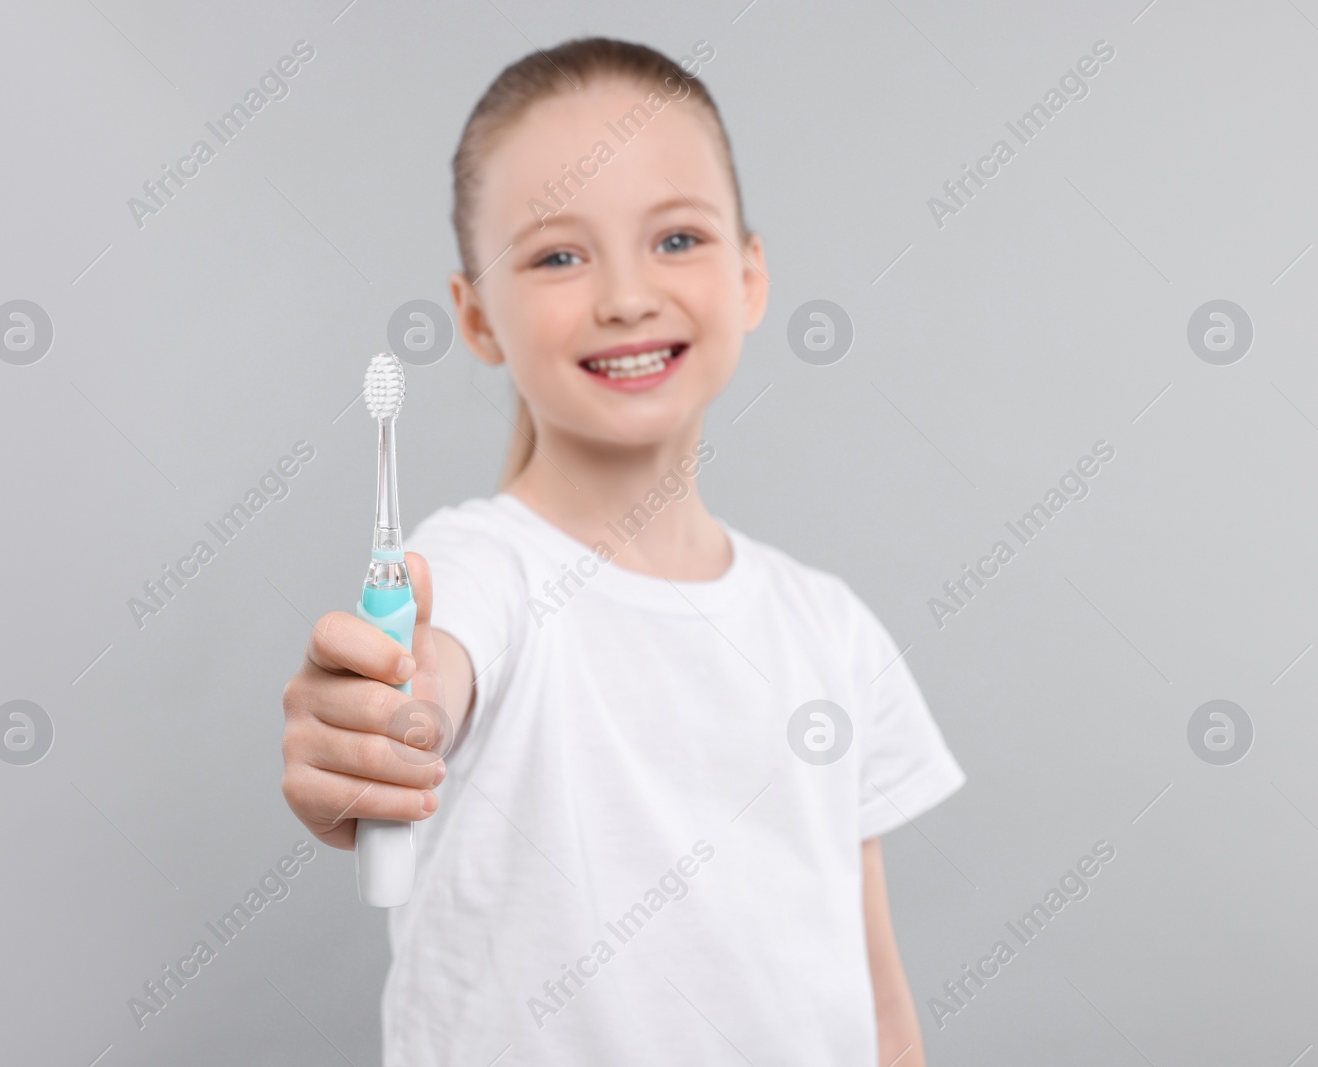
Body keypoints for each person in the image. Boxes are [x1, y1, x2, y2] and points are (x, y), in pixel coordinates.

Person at [280, 36, 965, 1065]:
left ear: (750, 277)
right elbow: (434, 671)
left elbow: (877, 1003)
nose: (626, 296)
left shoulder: (828, 628)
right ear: (475, 318)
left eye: (676, 239)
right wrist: (382, 727)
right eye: (558, 254)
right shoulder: (476, 567)